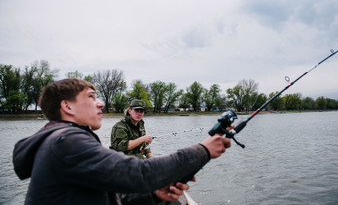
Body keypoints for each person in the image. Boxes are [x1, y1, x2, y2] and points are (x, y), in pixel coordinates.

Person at [12, 78, 231, 205]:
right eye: (90, 96)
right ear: (67, 107)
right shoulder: (65, 142)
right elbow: (140, 174)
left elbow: (113, 199)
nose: (100, 104)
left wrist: (154, 194)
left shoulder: (60, 140)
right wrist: (203, 149)